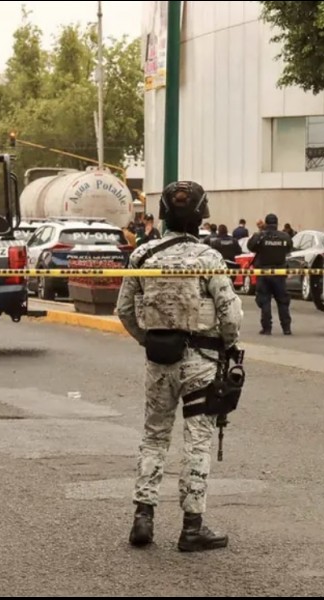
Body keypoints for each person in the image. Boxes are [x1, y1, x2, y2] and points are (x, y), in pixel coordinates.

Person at [115, 180, 243, 553]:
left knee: (154, 435)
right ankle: (192, 527)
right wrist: (229, 345)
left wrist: (148, 339)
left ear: (164, 215)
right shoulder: (208, 258)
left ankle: (143, 517)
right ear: (201, 216)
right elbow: (230, 314)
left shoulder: (143, 255)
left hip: (159, 360)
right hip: (201, 362)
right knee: (197, 439)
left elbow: (124, 310)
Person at [247, 213, 293, 335]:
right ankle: (286, 328)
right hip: (279, 272)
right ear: (277, 223)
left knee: (264, 301)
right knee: (283, 301)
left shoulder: (260, 236)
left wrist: (260, 233)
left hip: (264, 273)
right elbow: (289, 248)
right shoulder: (284, 236)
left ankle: (267, 328)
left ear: (266, 223)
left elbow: (250, 246)